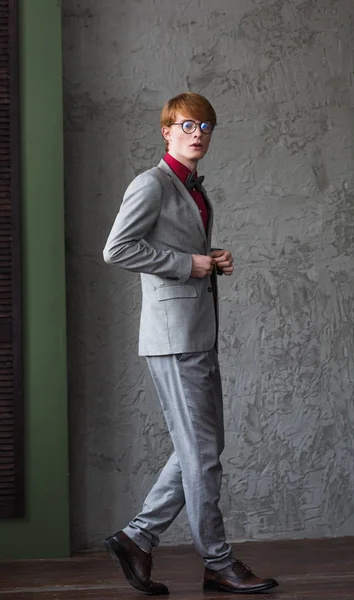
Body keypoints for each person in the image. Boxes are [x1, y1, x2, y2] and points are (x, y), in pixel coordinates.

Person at [103, 92, 278, 595]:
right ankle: (217, 561)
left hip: (197, 331)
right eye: (187, 125)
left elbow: (178, 249)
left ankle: (138, 537)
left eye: (206, 127)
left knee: (202, 447)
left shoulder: (194, 188)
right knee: (202, 453)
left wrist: (208, 257)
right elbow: (118, 248)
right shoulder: (151, 184)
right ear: (166, 130)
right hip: (174, 338)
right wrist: (190, 264)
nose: (198, 133)